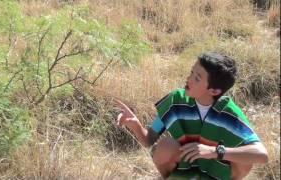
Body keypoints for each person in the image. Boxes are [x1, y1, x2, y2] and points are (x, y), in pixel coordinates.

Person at [115, 52, 268, 180]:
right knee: (166, 146)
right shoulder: (175, 102)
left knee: (245, 159)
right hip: (186, 167)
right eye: (191, 73)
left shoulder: (228, 113)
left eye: (197, 78)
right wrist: (135, 125)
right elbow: (149, 139)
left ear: (214, 91)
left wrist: (215, 151)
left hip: (217, 171)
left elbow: (261, 155)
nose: (189, 79)